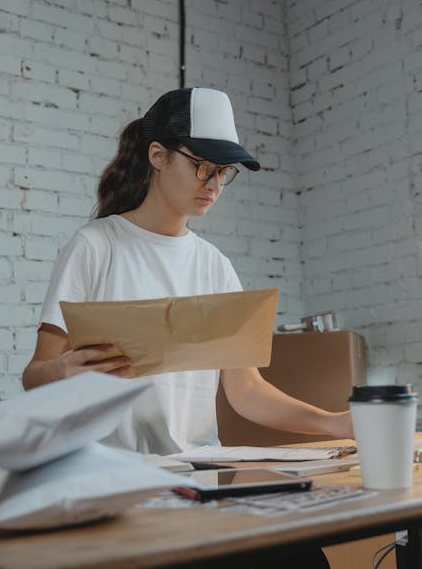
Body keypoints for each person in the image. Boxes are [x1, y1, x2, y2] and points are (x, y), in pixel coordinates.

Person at [22, 87, 352, 456]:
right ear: (158, 156)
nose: (213, 184)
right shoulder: (95, 247)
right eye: (202, 166)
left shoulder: (215, 267)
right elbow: (35, 374)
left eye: (224, 172)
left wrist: (335, 422)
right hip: (107, 473)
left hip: (198, 474)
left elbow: (247, 390)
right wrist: (60, 372)